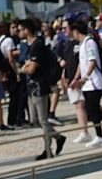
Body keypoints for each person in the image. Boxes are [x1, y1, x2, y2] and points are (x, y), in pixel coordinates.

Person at [13, 19, 66, 162]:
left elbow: (30, 68)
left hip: (39, 85)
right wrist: (24, 68)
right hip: (30, 86)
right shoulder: (26, 46)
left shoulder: (37, 45)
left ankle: (47, 150)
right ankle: (58, 137)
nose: (18, 32)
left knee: (43, 120)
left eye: (20, 29)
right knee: (34, 119)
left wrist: (23, 69)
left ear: (27, 30)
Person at [68, 18, 102, 149]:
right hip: (86, 82)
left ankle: (100, 135)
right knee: (91, 108)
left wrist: (85, 77)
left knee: (93, 108)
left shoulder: (90, 43)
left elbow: (92, 61)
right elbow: (81, 63)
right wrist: (75, 78)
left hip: (94, 81)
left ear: (76, 31)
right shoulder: (82, 44)